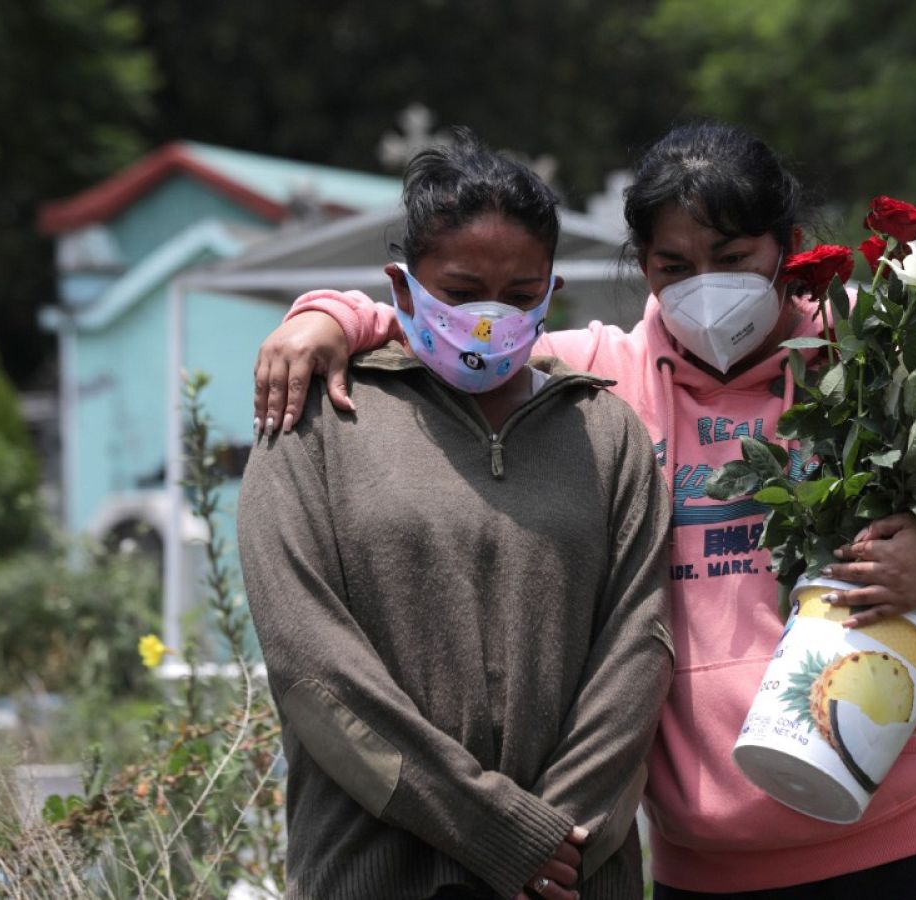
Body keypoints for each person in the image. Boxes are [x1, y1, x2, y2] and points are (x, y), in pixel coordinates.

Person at [253, 122, 916, 899]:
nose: (706, 285)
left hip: (915, 827)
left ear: (789, 248)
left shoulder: (880, 362)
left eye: (733, 260)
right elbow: (462, 326)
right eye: (675, 265)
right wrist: (325, 316)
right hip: (711, 855)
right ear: (644, 267)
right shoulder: (598, 381)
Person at [237, 130, 673, 900]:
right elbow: (310, 662)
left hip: (572, 876)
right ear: (401, 289)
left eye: (517, 295)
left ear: (551, 292)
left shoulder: (608, 436)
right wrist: (497, 833)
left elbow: (639, 648)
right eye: (463, 289)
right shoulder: (315, 425)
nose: (487, 318)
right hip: (374, 871)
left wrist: (557, 834)